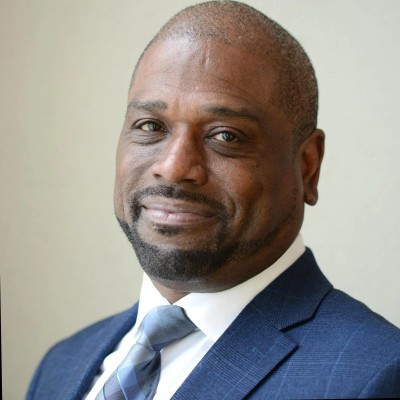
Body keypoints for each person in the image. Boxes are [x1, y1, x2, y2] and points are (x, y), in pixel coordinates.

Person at [26, 1, 400, 399]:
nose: (173, 167)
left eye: (225, 136)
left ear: (307, 166)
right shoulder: (61, 365)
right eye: (150, 126)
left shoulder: (376, 375)